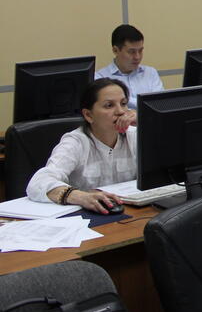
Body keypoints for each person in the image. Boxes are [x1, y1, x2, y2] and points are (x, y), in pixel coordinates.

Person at [25, 78, 135, 214]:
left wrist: (145, 121)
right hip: (86, 215)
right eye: (109, 105)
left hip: (129, 212)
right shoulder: (75, 142)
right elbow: (39, 182)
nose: (121, 111)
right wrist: (81, 196)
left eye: (123, 104)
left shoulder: (135, 135)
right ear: (88, 115)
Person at [94, 24, 164, 111]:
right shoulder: (100, 78)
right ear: (115, 50)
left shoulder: (150, 73)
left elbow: (160, 105)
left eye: (140, 51)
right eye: (132, 52)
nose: (137, 57)